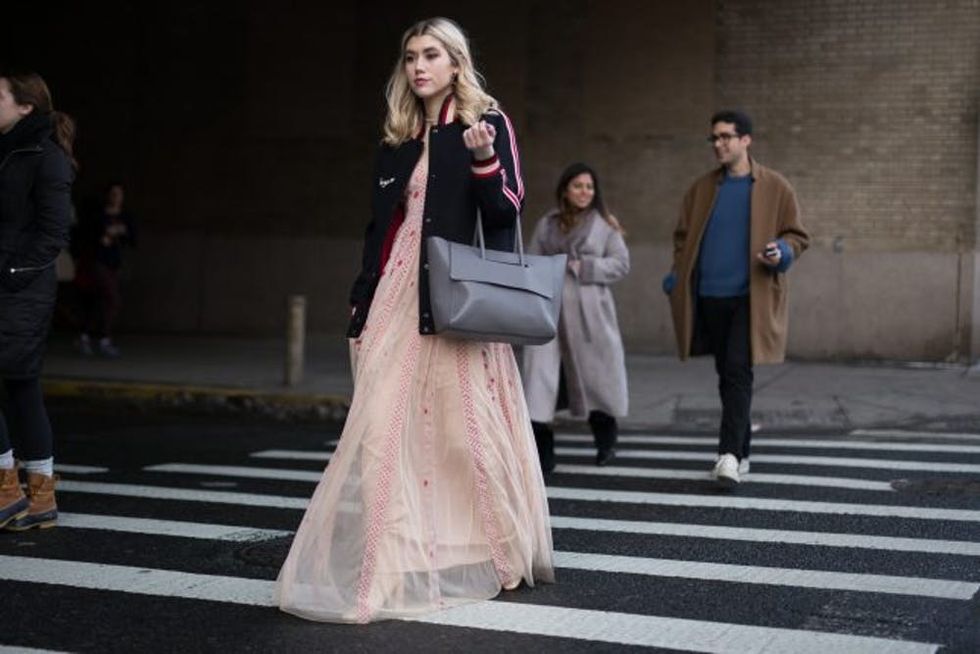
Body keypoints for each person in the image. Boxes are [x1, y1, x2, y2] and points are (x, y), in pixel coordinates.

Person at [276, 17, 554, 623]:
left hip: (453, 296)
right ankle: (384, 566)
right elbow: (380, 230)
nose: (419, 66)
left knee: (464, 432)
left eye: (432, 55)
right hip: (394, 295)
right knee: (381, 430)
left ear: (456, 62)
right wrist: (360, 300)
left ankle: (498, 555)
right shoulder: (397, 137)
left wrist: (483, 160)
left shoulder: (487, 124)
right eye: (410, 57)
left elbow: (507, 212)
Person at [663, 110, 809, 487]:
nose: (718, 144)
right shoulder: (701, 189)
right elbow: (682, 237)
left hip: (751, 297)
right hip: (709, 296)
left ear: (746, 140)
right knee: (727, 376)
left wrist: (783, 252)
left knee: (737, 371)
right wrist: (678, 275)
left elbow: (797, 236)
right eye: (714, 138)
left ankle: (726, 455)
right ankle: (741, 452)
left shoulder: (775, 186)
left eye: (726, 137)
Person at [0, 70, 75, 530]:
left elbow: (52, 235)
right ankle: (40, 497)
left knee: (20, 385)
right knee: (22, 389)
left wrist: (9, 274)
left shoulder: (45, 157)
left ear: (25, 106)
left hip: (19, 289)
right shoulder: (7, 153)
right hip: (11, 285)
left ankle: (7, 489)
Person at [522, 163, 629, 472]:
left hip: (590, 316)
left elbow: (622, 264)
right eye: (578, 186)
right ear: (565, 190)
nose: (585, 192)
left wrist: (588, 268)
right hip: (549, 312)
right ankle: (544, 455)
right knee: (537, 382)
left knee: (598, 381)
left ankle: (606, 444)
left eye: (590, 187)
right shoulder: (548, 224)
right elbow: (532, 261)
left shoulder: (605, 226)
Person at [74, 181, 135, 357]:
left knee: (97, 301)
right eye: (113, 194)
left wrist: (121, 231)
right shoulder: (98, 216)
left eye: (119, 194)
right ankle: (103, 339)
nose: (116, 198)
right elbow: (88, 237)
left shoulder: (125, 216)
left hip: (113, 263)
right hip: (97, 262)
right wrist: (104, 237)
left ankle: (84, 336)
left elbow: (132, 239)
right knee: (112, 299)